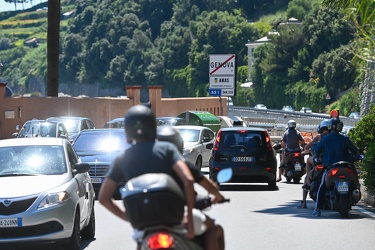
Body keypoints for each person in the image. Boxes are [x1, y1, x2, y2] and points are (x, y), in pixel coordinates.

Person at [98, 105, 196, 240]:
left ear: (128, 132)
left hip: (140, 223)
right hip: (171, 218)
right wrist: (189, 219)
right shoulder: (167, 149)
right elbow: (188, 179)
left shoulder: (122, 158)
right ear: (153, 128)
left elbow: (103, 197)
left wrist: (128, 217)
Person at [157, 125, 226, 250]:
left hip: (150, 218)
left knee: (142, 238)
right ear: (179, 144)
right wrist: (218, 196)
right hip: (178, 216)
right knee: (214, 229)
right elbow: (209, 186)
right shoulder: (183, 165)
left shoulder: (146, 167)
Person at [312, 118, 361, 216]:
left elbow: (316, 150)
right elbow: (355, 151)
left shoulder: (325, 139)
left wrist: (316, 158)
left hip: (330, 167)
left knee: (322, 186)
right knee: (356, 182)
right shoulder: (345, 139)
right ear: (340, 127)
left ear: (330, 127)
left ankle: (317, 209)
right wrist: (359, 156)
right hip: (346, 166)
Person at [297, 119, 330, 208]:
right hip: (331, 162)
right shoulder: (333, 136)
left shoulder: (319, 137)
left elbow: (307, 147)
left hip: (320, 161)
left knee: (308, 162)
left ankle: (304, 202)